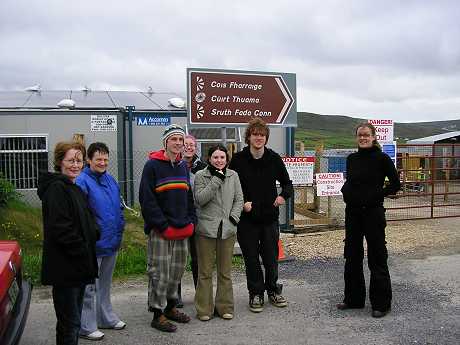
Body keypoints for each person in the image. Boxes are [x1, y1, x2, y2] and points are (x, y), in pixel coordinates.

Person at [229, 118, 293, 313]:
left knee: (271, 257)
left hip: (269, 218)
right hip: (247, 219)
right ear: (248, 137)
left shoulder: (273, 158)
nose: (258, 138)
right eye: (255, 134)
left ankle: (273, 290)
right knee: (251, 258)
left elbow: (287, 184)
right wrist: (241, 205)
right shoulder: (238, 160)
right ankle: (255, 293)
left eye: (262, 135)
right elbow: (229, 187)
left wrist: (282, 196)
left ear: (266, 138)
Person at [37, 141, 99, 345]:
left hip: (78, 267)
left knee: (73, 321)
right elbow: (61, 229)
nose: (75, 165)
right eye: (71, 160)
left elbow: (86, 220)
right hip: (66, 268)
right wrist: (83, 249)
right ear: (59, 162)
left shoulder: (74, 187)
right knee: (69, 324)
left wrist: (94, 233)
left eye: (79, 161)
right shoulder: (57, 189)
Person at [338, 122, 401, 318]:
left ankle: (381, 304)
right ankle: (353, 299)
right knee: (352, 255)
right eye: (360, 135)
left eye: (366, 135)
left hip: (373, 213)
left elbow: (396, 184)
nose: (363, 138)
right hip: (353, 214)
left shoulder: (382, 159)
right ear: (356, 138)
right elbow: (350, 182)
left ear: (374, 137)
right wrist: (345, 191)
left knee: (377, 257)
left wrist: (378, 194)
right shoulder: (352, 159)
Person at [139, 124, 196, 332]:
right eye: (174, 140)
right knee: (159, 272)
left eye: (181, 140)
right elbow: (147, 200)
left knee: (176, 271)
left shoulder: (182, 166)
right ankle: (157, 313)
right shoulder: (152, 165)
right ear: (165, 142)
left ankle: (171, 307)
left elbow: (188, 196)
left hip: (182, 229)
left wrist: (192, 221)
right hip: (161, 230)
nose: (178, 143)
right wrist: (162, 225)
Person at [76, 142, 126, 340]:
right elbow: (80, 214)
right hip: (93, 244)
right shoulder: (82, 181)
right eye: (98, 159)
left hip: (111, 242)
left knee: (104, 285)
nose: (103, 162)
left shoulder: (111, 180)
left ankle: (105, 317)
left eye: (105, 159)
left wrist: (120, 228)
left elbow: (118, 207)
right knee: (88, 287)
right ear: (89, 160)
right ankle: (86, 326)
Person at [193, 144, 244, 321]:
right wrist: (215, 180)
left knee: (225, 272)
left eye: (222, 157)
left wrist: (234, 219)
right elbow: (200, 200)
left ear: (227, 159)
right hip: (206, 231)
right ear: (209, 159)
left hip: (227, 230)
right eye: (215, 157)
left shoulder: (234, 175)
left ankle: (225, 307)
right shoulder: (201, 176)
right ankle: (204, 309)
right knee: (205, 272)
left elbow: (239, 199)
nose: (219, 160)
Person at [177, 134, 207, 307]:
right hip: (179, 217)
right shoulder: (174, 165)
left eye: (192, 145)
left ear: (196, 148)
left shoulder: (202, 168)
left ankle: (200, 292)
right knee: (179, 258)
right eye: (185, 144)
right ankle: (176, 295)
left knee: (198, 258)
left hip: (197, 217)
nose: (188, 147)